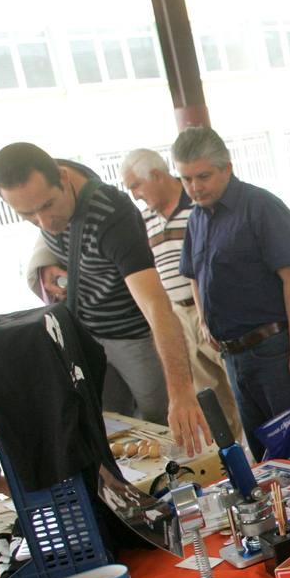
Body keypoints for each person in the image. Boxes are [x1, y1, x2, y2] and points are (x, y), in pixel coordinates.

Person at [0, 142, 208, 455]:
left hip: (134, 338)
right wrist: (47, 259)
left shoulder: (112, 216)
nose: (44, 221)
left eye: (48, 206)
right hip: (88, 337)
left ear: (63, 179)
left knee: (161, 423)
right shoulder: (46, 186)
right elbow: (49, 226)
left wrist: (182, 392)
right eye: (28, 214)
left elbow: (156, 306)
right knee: (107, 426)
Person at [173, 126, 290, 459]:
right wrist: (205, 323)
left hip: (274, 352)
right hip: (233, 356)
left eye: (203, 176)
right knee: (261, 449)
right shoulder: (197, 218)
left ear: (227, 168)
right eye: (186, 179)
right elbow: (194, 275)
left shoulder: (261, 207)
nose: (195, 187)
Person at [120, 147, 242, 437]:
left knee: (239, 387)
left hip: (214, 309)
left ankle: (262, 455)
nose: (134, 194)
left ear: (157, 175)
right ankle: (238, 460)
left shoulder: (198, 204)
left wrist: (207, 314)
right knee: (211, 399)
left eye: (136, 185)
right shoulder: (144, 219)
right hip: (177, 315)